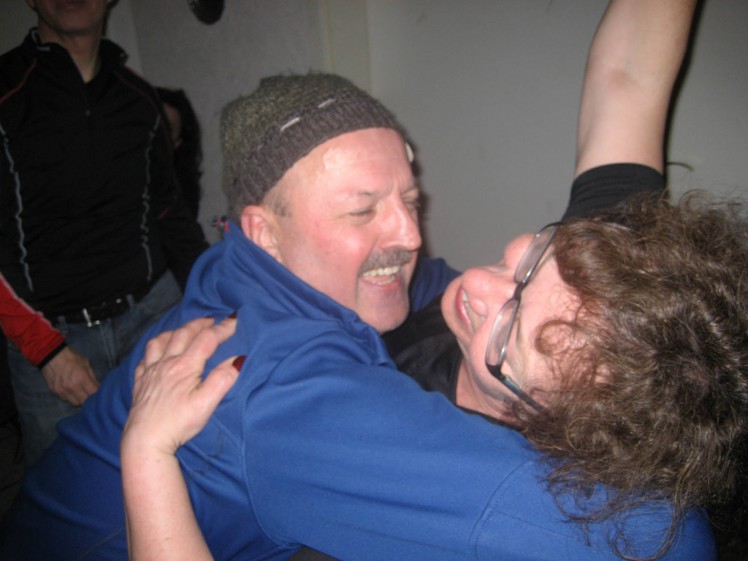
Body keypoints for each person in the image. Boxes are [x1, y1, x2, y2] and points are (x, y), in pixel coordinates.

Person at [2, 1, 725, 560]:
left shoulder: (289, 271)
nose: (411, 238)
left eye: (409, 198)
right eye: (361, 211)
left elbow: (630, 78)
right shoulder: (287, 392)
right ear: (263, 230)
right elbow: (661, 543)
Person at [0, 0, 208, 465]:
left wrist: (215, 293)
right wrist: (46, 351)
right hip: (55, 342)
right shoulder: (7, 93)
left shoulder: (138, 97)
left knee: (182, 467)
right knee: (66, 493)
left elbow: (169, 212)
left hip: (153, 317)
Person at [156, 87, 204, 220]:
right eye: (154, 122)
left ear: (177, 143)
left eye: (167, 129)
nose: (157, 133)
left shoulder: (178, 198)